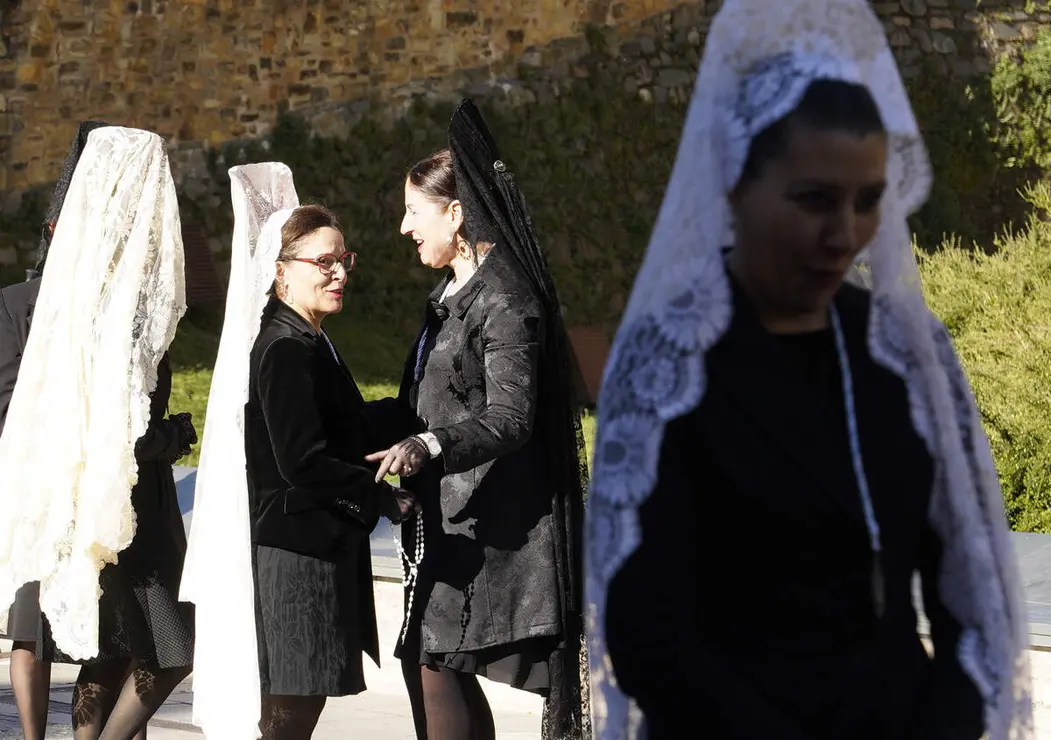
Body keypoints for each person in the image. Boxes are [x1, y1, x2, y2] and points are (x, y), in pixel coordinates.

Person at [585, 1, 1032, 739]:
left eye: (866, 202)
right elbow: (649, 634)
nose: (844, 235)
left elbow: (971, 590)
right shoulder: (670, 362)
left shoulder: (903, 349)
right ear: (734, 186)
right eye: (813, 200)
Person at [367, 99, 587, 740]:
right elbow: (424, 399)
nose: (405, 226)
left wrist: (431, 444)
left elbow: (511, 416)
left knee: (434, 668)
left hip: (493, 526)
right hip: (446, 523)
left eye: (415, 211)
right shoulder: (450, 295)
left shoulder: (507, 299)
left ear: (455, 213)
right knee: (432, 669)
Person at [180, 163, 417, 740]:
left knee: (296, 710)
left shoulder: (308, 335)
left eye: (344, 260)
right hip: (297, 555)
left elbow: (349, 425)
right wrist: (384, 499)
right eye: (323, 263)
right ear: (281, 272)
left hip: (310, 549)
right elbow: (302, 461)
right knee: (289, 714)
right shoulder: (286, 347)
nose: (338, 273)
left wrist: (420, 407)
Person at [0, 126, 194, 739]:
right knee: (156, 649)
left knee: (114, 652)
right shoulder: (67, 310)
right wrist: (167, 440)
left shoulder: (129, 306)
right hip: (98, 499)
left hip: (136, 503)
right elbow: (99, 426)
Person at [0, 120, 126, 740]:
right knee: (31, 624)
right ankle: (29, 735)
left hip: (92, 480)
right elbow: (3, 396)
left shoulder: (112, 313)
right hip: (36, 482)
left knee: (99, 626)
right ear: (53, 233)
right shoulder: (16, 304)